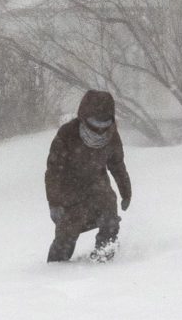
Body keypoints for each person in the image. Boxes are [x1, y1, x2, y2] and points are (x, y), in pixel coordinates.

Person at [44, 89, 132, 263]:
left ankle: (104, 257)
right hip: (69, 192)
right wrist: (54, 203)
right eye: (94, 123)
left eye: (104, 124)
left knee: (110, 221)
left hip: (99, 188)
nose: (100, 129)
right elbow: (53, 171)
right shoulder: (67, 134)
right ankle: (54, 270)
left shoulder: (112, 135)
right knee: (66, 236)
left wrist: (125, 191)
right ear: (84, 117)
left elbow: (117, 164)